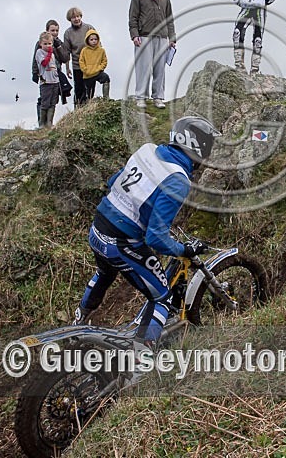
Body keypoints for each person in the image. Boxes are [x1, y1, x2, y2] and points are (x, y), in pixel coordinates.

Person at [72, 116, 222, 349]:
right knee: (162, 297)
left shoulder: (147, 150)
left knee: (104, 273)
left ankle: (78, 321)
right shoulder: (178, 180)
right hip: (120, 243)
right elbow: (155, 238)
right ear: (196, 147)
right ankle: (142, 357)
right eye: (207, 147)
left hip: (97, 228)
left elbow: (114, 181)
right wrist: (182, 249)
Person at [129, 0, 176, 109]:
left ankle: (158, 97)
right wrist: (134, 34)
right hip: (144, 36)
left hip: (162, 37)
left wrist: (172, 38)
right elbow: (133, 18)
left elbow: (170, 19)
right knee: (143, 68)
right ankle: (141, 97)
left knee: (160, 68)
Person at [32, 20, 71, 125]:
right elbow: (36, 59)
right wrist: (35, 73)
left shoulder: (58, 43)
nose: (54, 33)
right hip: (44, 74)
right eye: (52, 30)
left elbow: (66, 57)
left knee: (54, 100)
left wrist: (58, 46)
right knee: (44, 99)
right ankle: (42, 123)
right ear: (47, 30)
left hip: (56, 74)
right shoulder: (41, 43)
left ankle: (49, 122)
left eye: (56, 30)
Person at [63, 7, 96, 106]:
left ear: (81, 17)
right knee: (79, 89)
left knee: (90, 88)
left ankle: (89, 109)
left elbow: (98, 45)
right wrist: (68, 68)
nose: (76, 19)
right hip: (77, 65)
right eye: (73, 17)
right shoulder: (68, 33)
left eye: (78, 16)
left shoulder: (89, 28)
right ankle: (78, 110)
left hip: (90, 64)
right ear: (70, 19)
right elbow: (67, 52)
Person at [35, 31, 60, 128]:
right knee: (45, 103)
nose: (47, 46)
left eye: (49, 44)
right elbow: (44, 63)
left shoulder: (53, 55)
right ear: (40, 44)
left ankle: (49, 122)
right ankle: (42, 124)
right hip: (45, 82)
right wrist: (49, 53)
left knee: (53, 103)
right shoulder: (39, 52)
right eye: (45, 44)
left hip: (54, 81)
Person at [79, 29, 111, 101]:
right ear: (87, 40)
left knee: (106, 78)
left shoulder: (101, 50)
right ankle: (88, 105)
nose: (94, 41)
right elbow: (81, 61)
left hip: (98, 72)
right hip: (88, 75)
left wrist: (100, 68)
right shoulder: (84, 50)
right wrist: (85, 70)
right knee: (90, 93)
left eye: (95, 39)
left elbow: (104, 61)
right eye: (91, 39)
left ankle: (106, 98)